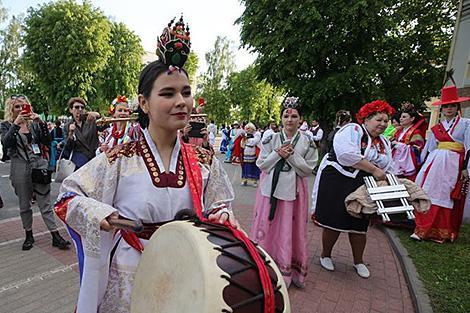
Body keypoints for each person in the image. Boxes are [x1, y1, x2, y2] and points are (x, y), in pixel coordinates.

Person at [54, 17, 239, 313]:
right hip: (130, 275)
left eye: (186, 92)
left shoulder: (204, 161)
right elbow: (67, 197)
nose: (181, 101)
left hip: (187, 270)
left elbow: (218, 205)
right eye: (168, 93)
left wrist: (222, 216)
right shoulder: (119, 158)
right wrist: (102, 213)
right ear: (144, 103)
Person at [312, 100, 394, 279]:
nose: (382, 124)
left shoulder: (383, 142)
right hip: (338, 179)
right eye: (378, 119)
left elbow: (388, 165)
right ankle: (325, 255)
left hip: (362, 183)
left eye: (386, 121)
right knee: (335, 220)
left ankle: (359, 261)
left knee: (359, 222)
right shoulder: (353, 130)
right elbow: (346, 155)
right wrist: (373, 169)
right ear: (366, 119)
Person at [250, 97, 317, 288]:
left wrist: (292, 156)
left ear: (301, 119)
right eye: (286, 116)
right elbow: (261, 164)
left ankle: (288, 270)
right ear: (281, 118)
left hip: (294, 192)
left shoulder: (307, 142)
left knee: (289, 228)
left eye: (294, 116)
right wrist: (277, 154)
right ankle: (264, 266)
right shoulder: (270, 138)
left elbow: (308, 169)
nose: (290, 120)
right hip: (269, 189)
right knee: (267, 225)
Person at [0, 95, 70, 250]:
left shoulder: (34, 124)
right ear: (11, 109)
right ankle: (29, 235)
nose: (20, 109)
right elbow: (6, 143)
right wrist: (16, 124)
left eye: (23, 106)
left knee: (45, 204)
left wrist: (42, 124)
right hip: (19, 168)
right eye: (17, 106)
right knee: (25, 205)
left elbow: (46, 141)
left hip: (39, 166)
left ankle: (55, 235)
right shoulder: (6, 125)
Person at [412, 85, 470, 243]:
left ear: (457, 107)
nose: (449, 109)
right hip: (435, 163)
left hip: (454, 163)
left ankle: (442, 231)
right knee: (429, 191)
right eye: (446, 106)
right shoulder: (436, 128)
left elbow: (469, 146)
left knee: (446, 194)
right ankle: (423, 228)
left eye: (452, 106)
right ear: (442, 109)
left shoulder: (466, 124)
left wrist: (466, 168)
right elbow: (430, 149)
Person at [391, 102, 427, 181]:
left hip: (408, 165)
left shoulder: (416, 132)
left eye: (404, 117)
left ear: (412, 118)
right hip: (396, 162)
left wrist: (400, 146)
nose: (401, 119)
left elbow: (417, 150)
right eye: (401, 117)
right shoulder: (399, 131)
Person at [62, 97, 101, 169]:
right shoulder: (67, 126)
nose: (80, 109)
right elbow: (67, 147)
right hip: (79, 162)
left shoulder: (91, 120)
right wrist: (70, 133)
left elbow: (105, 125)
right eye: (77, 107)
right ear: (71, 110)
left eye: (82, 107)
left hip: (95, 158)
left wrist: (98, 115)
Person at [239, 122, 261, 187]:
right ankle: (244, 180)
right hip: (246, 154)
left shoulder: (256, 135)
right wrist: (244, 140)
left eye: (249, 128)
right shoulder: (245, 136)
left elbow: (254, 142)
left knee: (254, 167)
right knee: (245, 167)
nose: (248, 130)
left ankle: (255, 181)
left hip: (253, 154)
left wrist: (246, 140)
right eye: (247, 128)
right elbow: (242, 145)